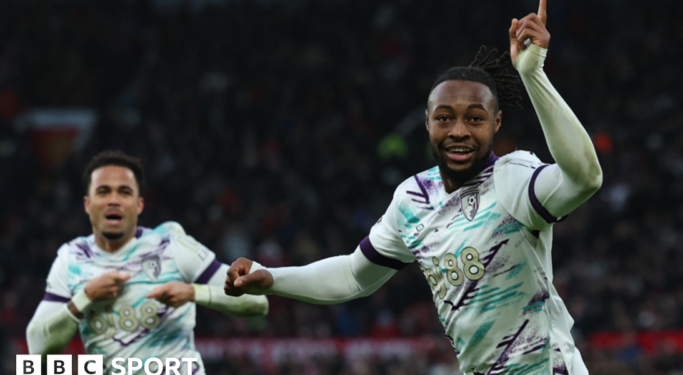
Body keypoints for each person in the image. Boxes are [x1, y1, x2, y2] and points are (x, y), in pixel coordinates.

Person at [225, 0, 600, 374]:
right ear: (427, 124)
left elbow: (585, 177)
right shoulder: (413, 199)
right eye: (444, 118)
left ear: (496, 123)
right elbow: (354, 276)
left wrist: (533, 75)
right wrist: (271, 278)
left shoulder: (513, 179)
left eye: (474, 118)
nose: (458, 131)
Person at [26, 151, 269, 375]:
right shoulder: (72, 258)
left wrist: (194, 292)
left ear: (139, 204)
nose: (114, 200)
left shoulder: (172, 246)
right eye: (103, 192)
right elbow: (37, 346)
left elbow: (257, 302)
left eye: (124, 192)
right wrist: (85, 297)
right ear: (88, 204)